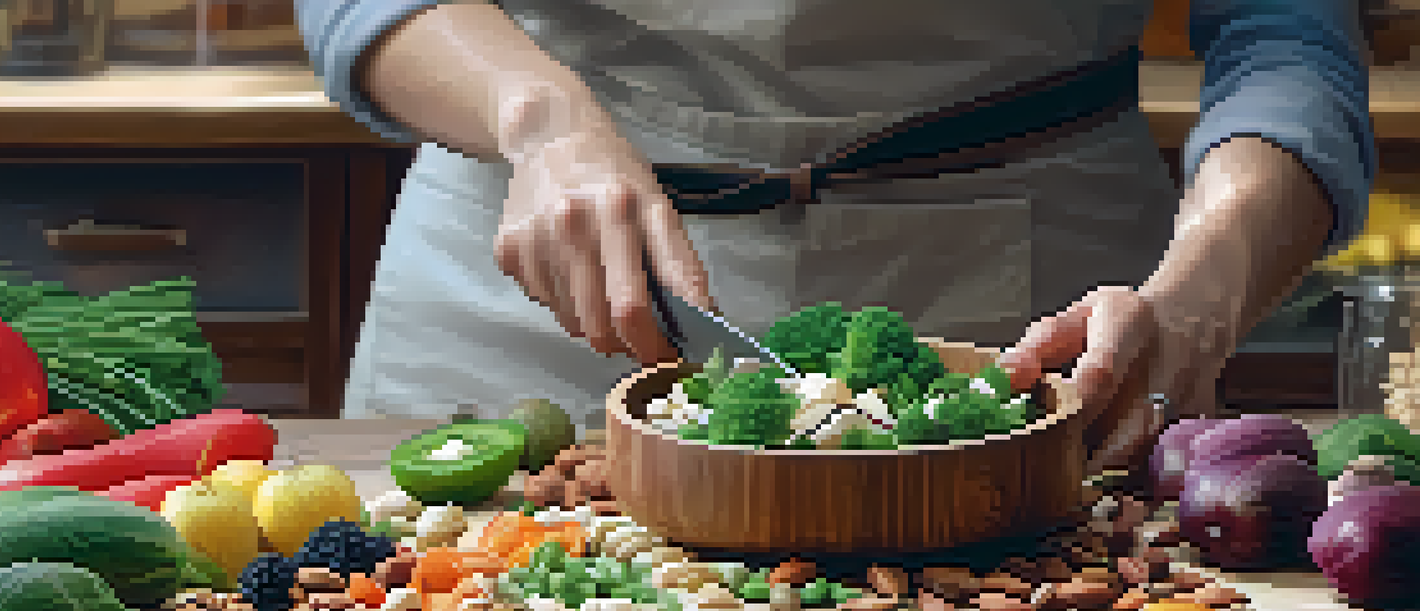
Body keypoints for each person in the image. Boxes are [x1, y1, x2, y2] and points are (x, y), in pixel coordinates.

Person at [296, 0, 1372, 472]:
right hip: (522, 272)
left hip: (1042, 294)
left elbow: (1290, 33)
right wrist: (538, 120)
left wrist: (1202, 287)